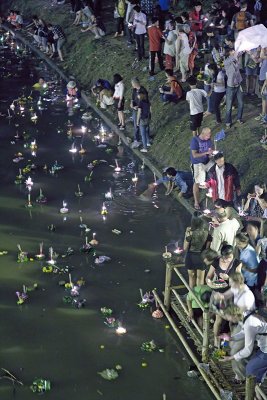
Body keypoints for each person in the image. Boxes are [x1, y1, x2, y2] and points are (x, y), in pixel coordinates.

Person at [220, 306, 267, 387]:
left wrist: (230, 358)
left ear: (234, 315)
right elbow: (244, 331)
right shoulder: (246, 314)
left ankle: (256, 389)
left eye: (228, 318)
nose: (229, 321)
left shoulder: (250, 324)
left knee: (251, 369)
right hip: (263, 347)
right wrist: (231, 338)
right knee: (252, 367)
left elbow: (247, 350)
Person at [206, 246, 242, 346]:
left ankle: (231, 342)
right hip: (217, 293)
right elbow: (209, 276)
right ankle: (216, 340)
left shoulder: (237, 263)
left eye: (229, 257)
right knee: (218, 319)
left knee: (230, 319)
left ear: (232, 255)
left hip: (229, 295)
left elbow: (238, 281)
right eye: (225, 257)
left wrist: (228, 277)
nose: (226, 260)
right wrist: (209, 282)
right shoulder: (217, 261)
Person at [184, 214, 211, 288]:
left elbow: (185, 248)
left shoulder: (189, 232)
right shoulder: (208, 233)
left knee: (191, 277)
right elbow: (207, 248)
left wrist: (187, 236)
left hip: (190, 257)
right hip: (201, 257)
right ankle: (199, 297)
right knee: (200, 278)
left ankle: (191, 296)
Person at [190, 127, 214, 210]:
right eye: (208, 135)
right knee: (197, 182)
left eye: (210, 135)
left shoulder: (209, 139)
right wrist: (206, 152)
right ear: (203, 134)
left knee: (216, 170)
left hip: (207, 161)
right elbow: (194, 155)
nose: (209, 136)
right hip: (197, 163)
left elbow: (210, 150)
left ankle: (211, 189)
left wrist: (211, 154)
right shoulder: (195, 140)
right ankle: (196, 201)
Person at [224, 47, 244, 128]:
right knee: (229, 106)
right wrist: (236, 55)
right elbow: (231, 59)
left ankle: (239, 118)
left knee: (241, 103)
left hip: (238, 84)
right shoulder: (226, 61)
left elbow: (240, 53)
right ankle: (228, 122)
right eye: (232, 51)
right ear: (229, 52)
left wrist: (244, 49)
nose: (234, 52)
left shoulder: (236, 58)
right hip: (231, 86)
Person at [130, 77, 148, 149]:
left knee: (140, 125)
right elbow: (132, 99)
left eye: (132, 84)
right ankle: (137, 139)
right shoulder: (134, 90)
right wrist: (132, 104)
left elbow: (145, 101)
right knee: (136, 125)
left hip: (141, 110)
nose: (132, 85)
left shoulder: (143, 90)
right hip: (135, 109)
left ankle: (144, 142)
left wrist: (138, 107)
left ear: (135, 83)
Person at [136, 88, 151, 152]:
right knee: (147, 130)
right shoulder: (148, 101)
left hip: (142, 119)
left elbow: (139, 113)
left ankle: (145, 148)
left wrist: (137, 121)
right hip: (147, 118)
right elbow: (150, 111)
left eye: (138, 95)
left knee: (143, 134)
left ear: (141, 95)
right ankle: (148, 142)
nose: (137, 96)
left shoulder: (140, 102)